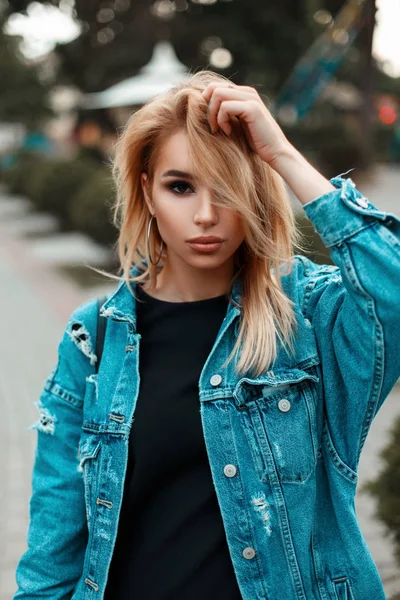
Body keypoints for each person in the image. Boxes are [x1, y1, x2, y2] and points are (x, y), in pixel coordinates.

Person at [13, 70, 400, 600]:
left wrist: (282, 155)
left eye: (227, 189)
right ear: (146, 191)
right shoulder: (94, 339)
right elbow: (52, 551)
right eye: (180, 186)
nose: (205, 215)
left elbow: (392, 292)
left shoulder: (305, 316)